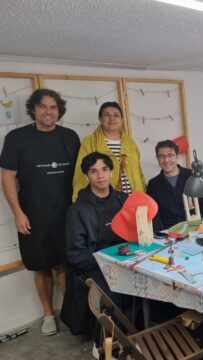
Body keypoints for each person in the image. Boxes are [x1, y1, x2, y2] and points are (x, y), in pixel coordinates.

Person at [0, 89, 80, 336]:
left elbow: (80, 175)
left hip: (67, 216)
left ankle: (70, 314)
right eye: (44, 107)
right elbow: (7, 176)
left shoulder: (70, 137)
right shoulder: (17, 138)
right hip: (33, 217)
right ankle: (48, 314)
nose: (49, 112)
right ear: (33, 109)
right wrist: (18, 213)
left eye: (54, 107)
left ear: (60, 110)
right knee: (41, 267)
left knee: (66, 267)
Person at [64, 152, 128, 353]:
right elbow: (76, 256)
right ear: (86, 176)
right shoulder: (77, 210)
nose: (100, 175)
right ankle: (105, 345)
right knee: (113, 293)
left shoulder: (123, 199)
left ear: (111, 172)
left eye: (104, 169)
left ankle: (142, 334)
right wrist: (110, 256)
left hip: (127, 260)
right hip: (95, 266)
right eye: (93, 171)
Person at [72, 101, 146, 201]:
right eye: (107, 115)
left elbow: (139, 173)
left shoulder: (130, 142)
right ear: (100, 118)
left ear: (122, 119)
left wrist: (144, 197)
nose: (112, 118)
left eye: (116, 115)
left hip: (133, 201)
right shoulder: (90, 141)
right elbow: (80, 174)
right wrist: (79, 200)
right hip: (104, 202)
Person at [147, 140, 203, 231]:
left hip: (196, 228)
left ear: (177, 156)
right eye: (162, 156)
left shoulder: (193, 177)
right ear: (157, 158)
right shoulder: (153, 184)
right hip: (168, 233)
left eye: (170, 155)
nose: (166, 160)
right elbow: (154, 216)